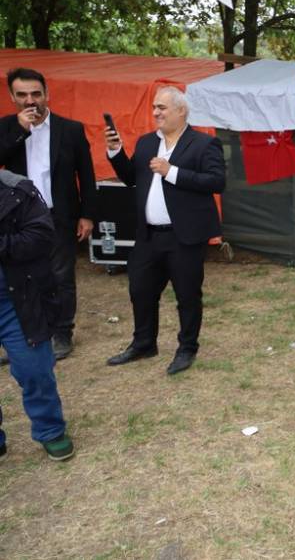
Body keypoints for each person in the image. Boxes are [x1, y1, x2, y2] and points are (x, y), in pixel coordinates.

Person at [103, 86, 226, 375]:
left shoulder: (203, 144)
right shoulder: (146, 143)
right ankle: (144, 343)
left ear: (181, 110)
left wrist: (172, 172)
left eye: (162, 107)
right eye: (154, 108)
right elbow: (132, 178)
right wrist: (115, 150)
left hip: (184, 236)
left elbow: (216, 181)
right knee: (140, 291)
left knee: (187, 295)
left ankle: (187, 348)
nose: (156, 112)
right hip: (148, 236)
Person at [0, 68, 97, 361]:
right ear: (12, 97)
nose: (30, 101)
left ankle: (61, 333)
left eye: (36, 94)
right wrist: (19, 130)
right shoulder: (6, 127)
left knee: (61, 275)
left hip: (60, 214)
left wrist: (88, 214)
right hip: (19, 219)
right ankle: (24, 335)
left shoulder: (71, 129)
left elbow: (87, 175)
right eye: (22, 95)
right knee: (20, 276)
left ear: (47, 94)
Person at [0, 169, 74, 461]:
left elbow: (41, 236)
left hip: (16, 300)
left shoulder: (18, 190)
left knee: (34, 370)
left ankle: (50, 430)